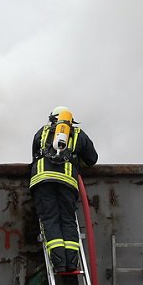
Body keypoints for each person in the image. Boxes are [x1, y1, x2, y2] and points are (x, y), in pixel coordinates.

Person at [29, 106, 98, 273]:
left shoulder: (42, 132)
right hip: (67, 182)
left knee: (50, 219)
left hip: (43, 180)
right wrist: (75, 162)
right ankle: (72, 263)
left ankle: (59, 263)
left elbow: (34, 155)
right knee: (68, 220)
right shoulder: (78, 134)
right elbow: (92, 159)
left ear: (52, 119)